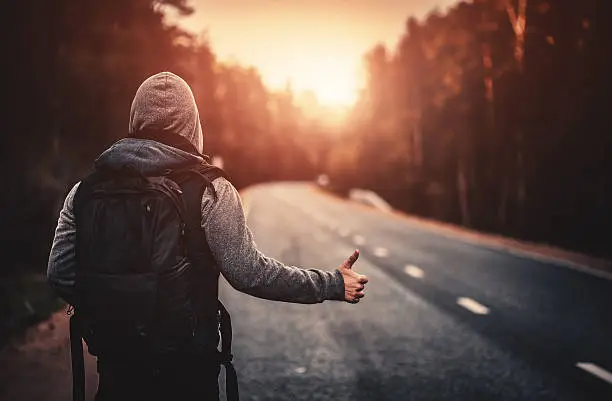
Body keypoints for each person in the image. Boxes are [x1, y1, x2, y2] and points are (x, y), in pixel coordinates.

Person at [47, 71, 369, 401]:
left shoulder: (84, 192)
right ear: (192, 126)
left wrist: (117, 309)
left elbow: (60, 274)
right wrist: (331, 283)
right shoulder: (210, 191)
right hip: (187, 378)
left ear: (135, 121)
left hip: (117, 373)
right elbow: (250, 274)